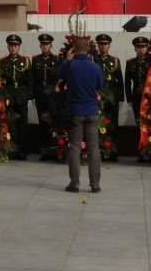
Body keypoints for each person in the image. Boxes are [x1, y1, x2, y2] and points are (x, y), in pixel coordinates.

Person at [56, 37, 103, 193]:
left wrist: (67, 60)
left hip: (76, 112)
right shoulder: (95, 67)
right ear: (88, 48)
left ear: (74, 49)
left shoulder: (71, 66)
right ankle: (95, 185)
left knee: (75, 148)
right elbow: (99, 85)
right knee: (94, 149)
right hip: (92, 111)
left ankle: (74, 184)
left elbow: (58, 74)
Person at [0, 34, 32, 161]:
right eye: (11, 45)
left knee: (22, 124)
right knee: (9, 124)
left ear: (19, 47)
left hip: (22, 96)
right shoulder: (2, 62)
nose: (13, 48)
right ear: (8, 47)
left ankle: (23, 151)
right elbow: (1, 81)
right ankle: (11, 150)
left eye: (15, 46)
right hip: (8, 95)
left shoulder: (25, 61)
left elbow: (29, 81)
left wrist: (30, 97)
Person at [94, 34, 123, 163]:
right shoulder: (94, 60)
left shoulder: (115, 60)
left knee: (112, 123)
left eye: (106, 44)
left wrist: (121, 97)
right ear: (98, 46)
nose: (103, 46)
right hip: (98, 95)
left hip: (112, 96)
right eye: (101, 44)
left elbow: (120, 80)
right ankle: (99, 150)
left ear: (109, 46)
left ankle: (112, 151)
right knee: (98, 122)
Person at [31, 34, 59, 160]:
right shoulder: (35, 60)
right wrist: (32, 97)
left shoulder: (57, 59)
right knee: (42, 123)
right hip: (40, 93)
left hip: (53, 94)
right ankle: (44, 151)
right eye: (43, 44)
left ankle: (54, 150)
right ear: (40, 46)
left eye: (47, 44)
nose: (45, 46)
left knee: (54, 122)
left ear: (51, 45)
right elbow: (32, 79)